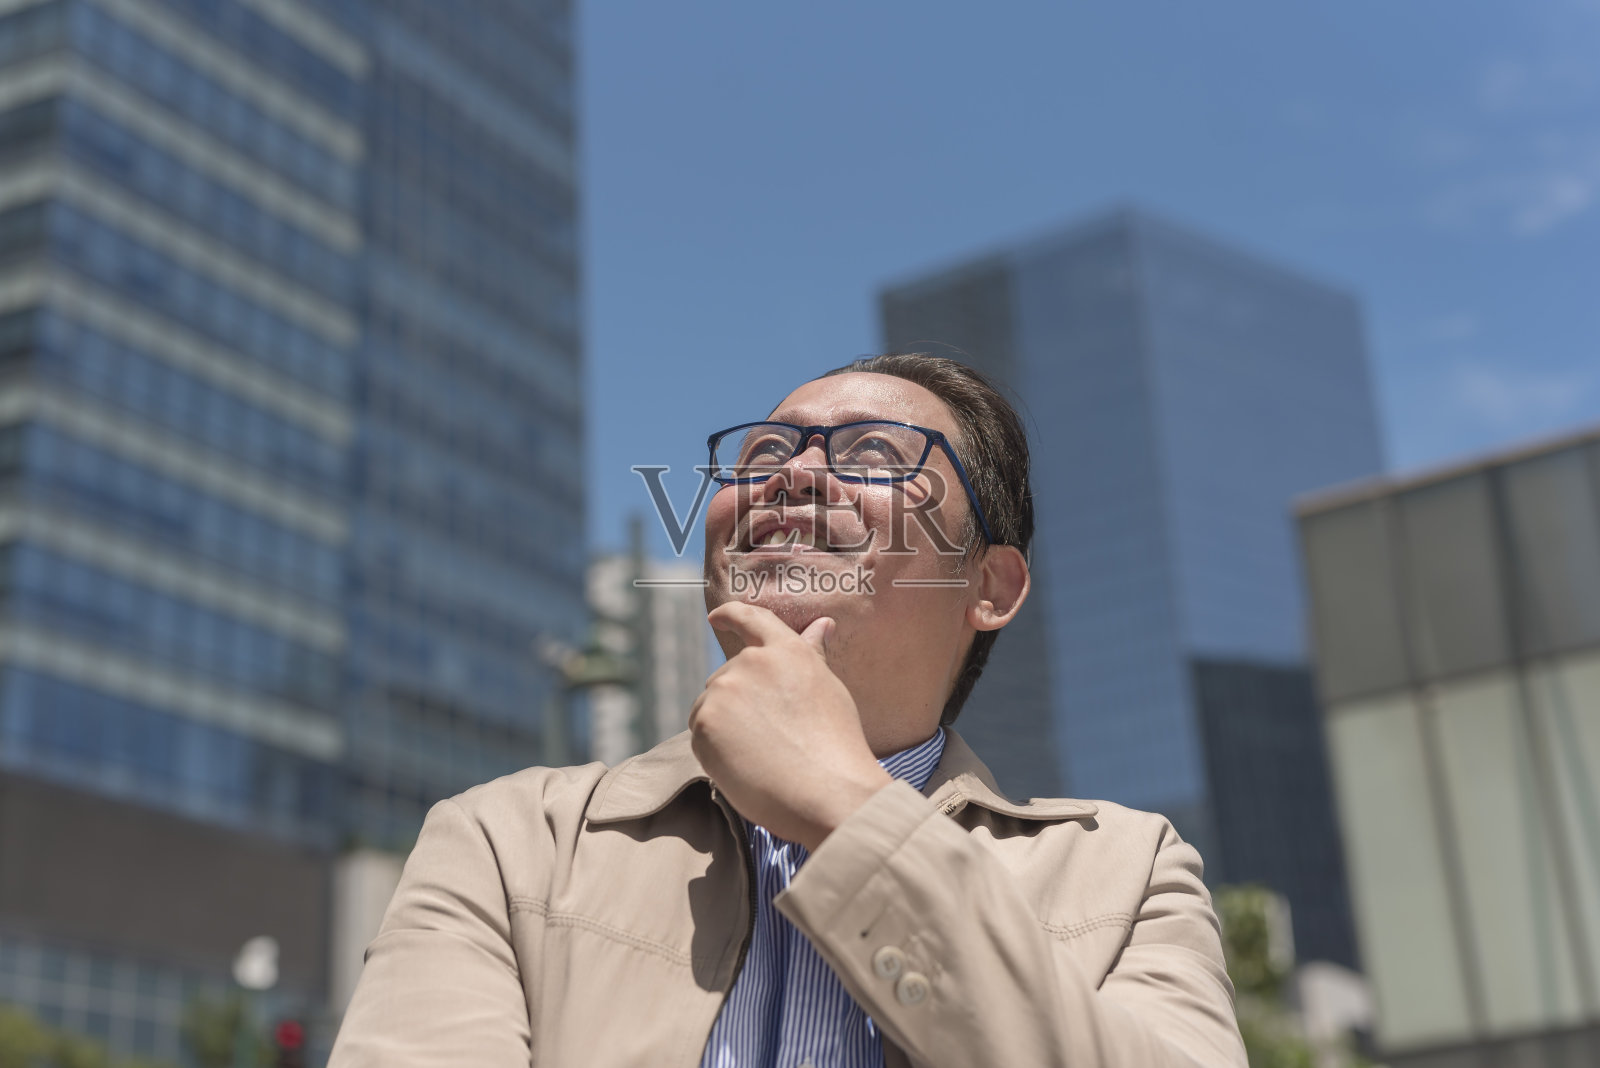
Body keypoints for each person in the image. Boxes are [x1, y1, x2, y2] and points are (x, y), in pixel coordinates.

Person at [328, 354, 1247, 1068]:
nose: (790, 477)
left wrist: (848, 807)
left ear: (989, 585)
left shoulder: (1128, 874)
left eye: (877, 456)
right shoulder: (507, 841)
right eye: (763, 453)